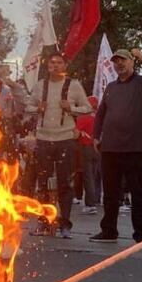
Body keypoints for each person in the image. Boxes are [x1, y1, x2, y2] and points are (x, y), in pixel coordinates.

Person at [90, 48, 142, 243]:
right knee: (111, 192)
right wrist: (96, 136)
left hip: (135, 147)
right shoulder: (111, 87)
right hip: (111, 147)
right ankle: (109, 230)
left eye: (123, 60)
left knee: (138, 192)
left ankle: (141, 233)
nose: (119, 64)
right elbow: (100, 114)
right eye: (116, 61)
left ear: (132, 62)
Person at [27, 52, 92, 238]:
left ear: (64, 66)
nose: (54, 65)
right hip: (44, 139)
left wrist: (71, 108)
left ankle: (65, 225)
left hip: (65, 139)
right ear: (47, 66)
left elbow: (88, 108)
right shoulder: (40, 86)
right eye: (51, 63)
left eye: (58, 63)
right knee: (43, 183)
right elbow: (28, 107)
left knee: (65, 183)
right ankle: (44, 223)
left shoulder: (74, 85)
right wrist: (37, 108)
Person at [75, 96, 100, 213]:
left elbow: (75, 134)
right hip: (98, 149)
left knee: (88, 177)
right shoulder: (100, 118)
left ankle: (90, 204)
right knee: (94, 176)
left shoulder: (83, 118)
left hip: (86, 148)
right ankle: (95, 200)